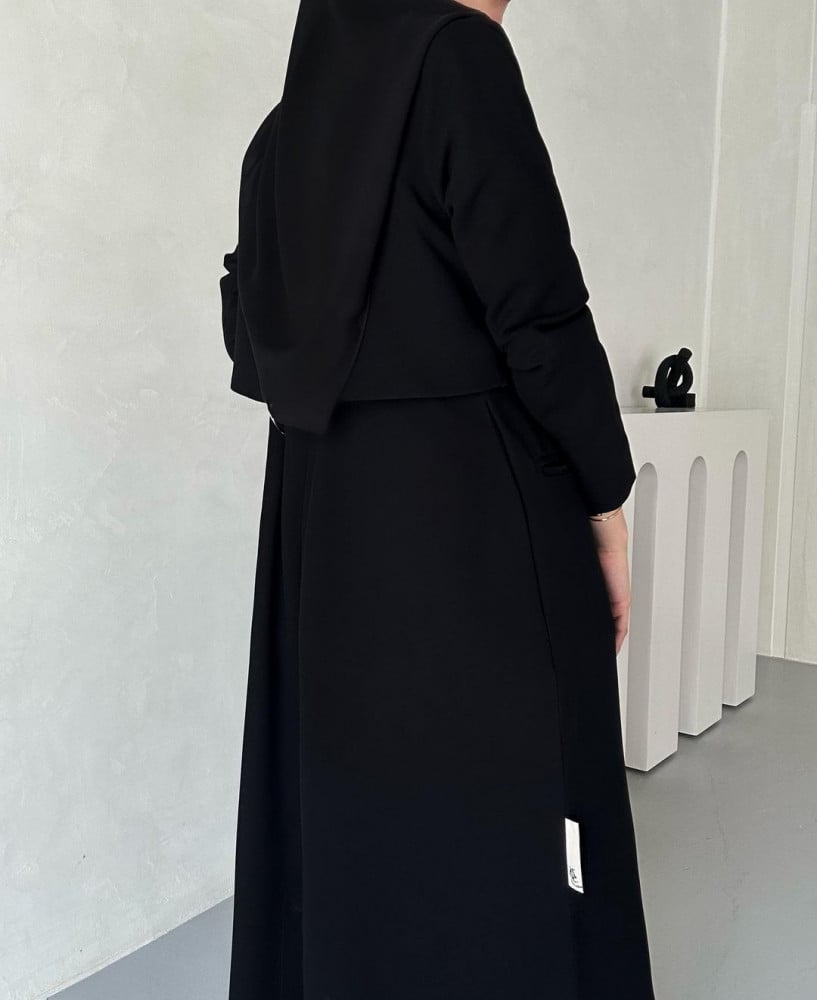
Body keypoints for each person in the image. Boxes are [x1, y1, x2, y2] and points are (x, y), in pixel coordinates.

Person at [219, 0, 656, 996]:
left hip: (323, 527)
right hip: (471, 513)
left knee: (356, 802)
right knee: (507, 786)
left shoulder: (285, 132)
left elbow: (251, 343)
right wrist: (605, 504)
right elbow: (540, 316)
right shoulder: (459, 58)